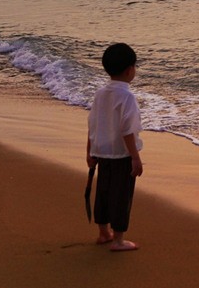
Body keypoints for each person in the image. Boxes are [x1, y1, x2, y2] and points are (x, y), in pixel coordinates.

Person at [87, 42, 144, 252]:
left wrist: (90, 151)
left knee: (103, 191)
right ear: (130, 70)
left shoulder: (101, 93)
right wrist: (135, 157)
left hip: (101, 151)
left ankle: (103, 232)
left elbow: (92, 122)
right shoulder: (127, 96)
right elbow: (127, 130)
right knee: (121, 195)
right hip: (121, 154)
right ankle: (119, 240)